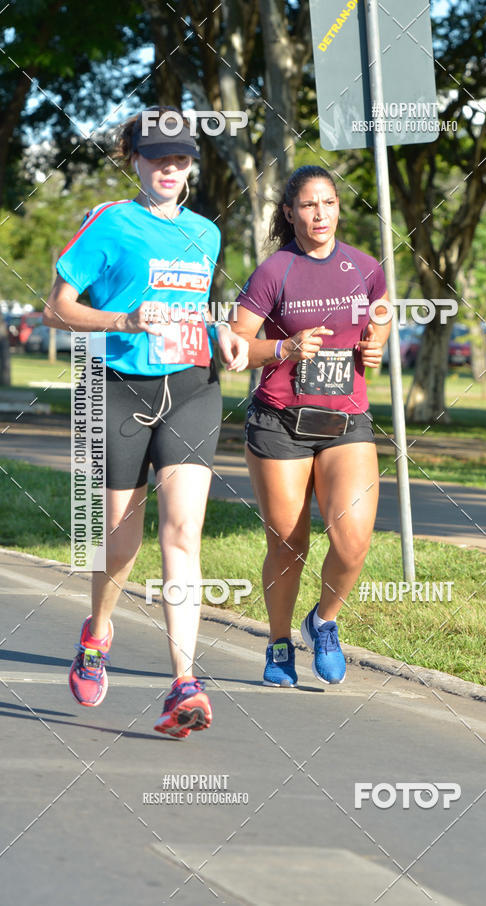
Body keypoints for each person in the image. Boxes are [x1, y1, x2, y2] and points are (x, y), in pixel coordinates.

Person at [43, 107, 248, 738]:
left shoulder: (205, 233)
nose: (170, 168)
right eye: (158, 157)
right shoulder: (110, 223)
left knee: (184, 534)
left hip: (191, 387)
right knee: (120, 535)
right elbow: (56, 310)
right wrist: (124, 323)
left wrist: (223, 335)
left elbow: (194, 308)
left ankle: (184, 683)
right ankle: (98, 632)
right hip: (120, 387)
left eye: (181, 158)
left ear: (191, 165)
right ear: (135, 161)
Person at [231, 165, 390, 687]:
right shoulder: (275, 271)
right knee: (288, 546)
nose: (319, 214)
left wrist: (378, 342)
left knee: (353, 542)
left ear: (339, 209)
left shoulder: (365, 267)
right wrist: (285, 347)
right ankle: (278, 644)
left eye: (329, 203)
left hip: (346, 420)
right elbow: (234, 347)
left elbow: (382, 315)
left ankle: (323, 622)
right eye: (307, 205)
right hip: (280, 422)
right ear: (290, 212)